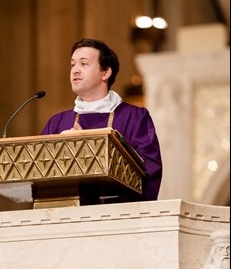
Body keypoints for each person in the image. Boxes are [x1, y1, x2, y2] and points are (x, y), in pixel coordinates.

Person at [40, 38, 162, 202]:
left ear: (106, 73)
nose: (75, 70)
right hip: (66, 217)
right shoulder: (57, 123)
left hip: (118, 218)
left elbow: (149, 170)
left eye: (84, 64)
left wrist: (87, 149)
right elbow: (38, 171)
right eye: (73, 64)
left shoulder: (134, 117)